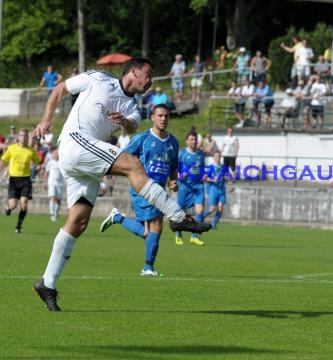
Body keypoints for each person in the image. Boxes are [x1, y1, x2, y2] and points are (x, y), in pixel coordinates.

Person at [32, 57, 211, 312]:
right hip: (74, 143)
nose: (151, 82)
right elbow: (60, 89)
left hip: (84, 160)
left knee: (78, 222)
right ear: (134, 72)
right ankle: (178, 215)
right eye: (148, 75)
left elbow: (131, 125)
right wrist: (46, 120)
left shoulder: (134, 108)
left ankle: (47, 283)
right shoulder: (97, 78)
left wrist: (124, 122)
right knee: (134, 165)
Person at [100, 104, 179, 276]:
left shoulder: (173, 142)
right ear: (152, 117)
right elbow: (121, 157)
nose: (163, 118)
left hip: (159, 191)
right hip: (142, 188)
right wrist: (106, 176)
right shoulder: (142, 139)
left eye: (166, 116)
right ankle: (148, 268)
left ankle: (118, 218)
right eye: (160, 115)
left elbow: (173, 167)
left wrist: (173, 181)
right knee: (156, 227)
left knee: (147, 233)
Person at [0, 128, 41, 233]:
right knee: (13, 205)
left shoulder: (31, 151)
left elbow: (38, 161)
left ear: (28, 138)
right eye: (22, 135)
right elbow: (4, 159)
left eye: (26, 136)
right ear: (18, 137)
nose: (24, 137)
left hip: (25, 180)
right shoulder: (12, 148)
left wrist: (38, 166)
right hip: (13, 180)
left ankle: (18, 226)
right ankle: (8, 209)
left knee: (24, 204)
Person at [176, 130, 207, 246]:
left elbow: (202, 168)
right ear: (187, 141)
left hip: (198, 187)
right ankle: (178, 234)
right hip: (184, 187)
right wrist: (179, 175)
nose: (194, 142)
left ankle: (194, 236)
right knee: (180, 213)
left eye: (195, 140)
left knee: (200, 211)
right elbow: (175, 168)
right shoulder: (181, 153)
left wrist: (204, 175)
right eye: (191, 139)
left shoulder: (201, 154)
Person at [203, 151, 227, 230]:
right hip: (213, 190)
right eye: (216, 156)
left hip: (222, 190)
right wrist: (213, 180)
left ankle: (214, 225)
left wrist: (227, 178)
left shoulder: (223, 167)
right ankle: (200, 218)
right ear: (214, 157)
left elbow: (226, 177)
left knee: (220, 209)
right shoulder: (210, 167)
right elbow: (205, 178)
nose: (218, 158)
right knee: (212, 209)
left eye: (219, 156)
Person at [42, 148, 63, 222]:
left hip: (59, 183)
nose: (56, 154)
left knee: (58, 201)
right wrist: (44, 182)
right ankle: (52, 214)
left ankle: (56, 212)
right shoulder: (50, 162)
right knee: (52, 198)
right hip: (51, 182)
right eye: (55, 152)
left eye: (58, 152)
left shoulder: (62, 163)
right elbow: (46, 173)